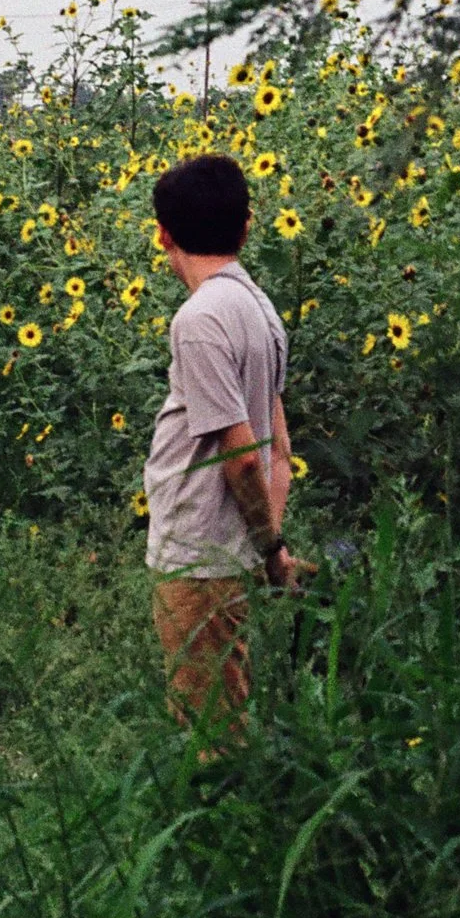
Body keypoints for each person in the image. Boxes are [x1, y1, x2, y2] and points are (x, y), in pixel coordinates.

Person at [143, 153, 312, 738]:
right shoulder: (259, 309)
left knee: (208, 730)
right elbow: (279, 451)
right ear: (245, 228)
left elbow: (241, 455)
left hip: (198, 554)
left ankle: (221, 827)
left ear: (162, 234)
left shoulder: (200, 318)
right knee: (227, 709)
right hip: (228, 550)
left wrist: (268, 548)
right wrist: (272, 545)